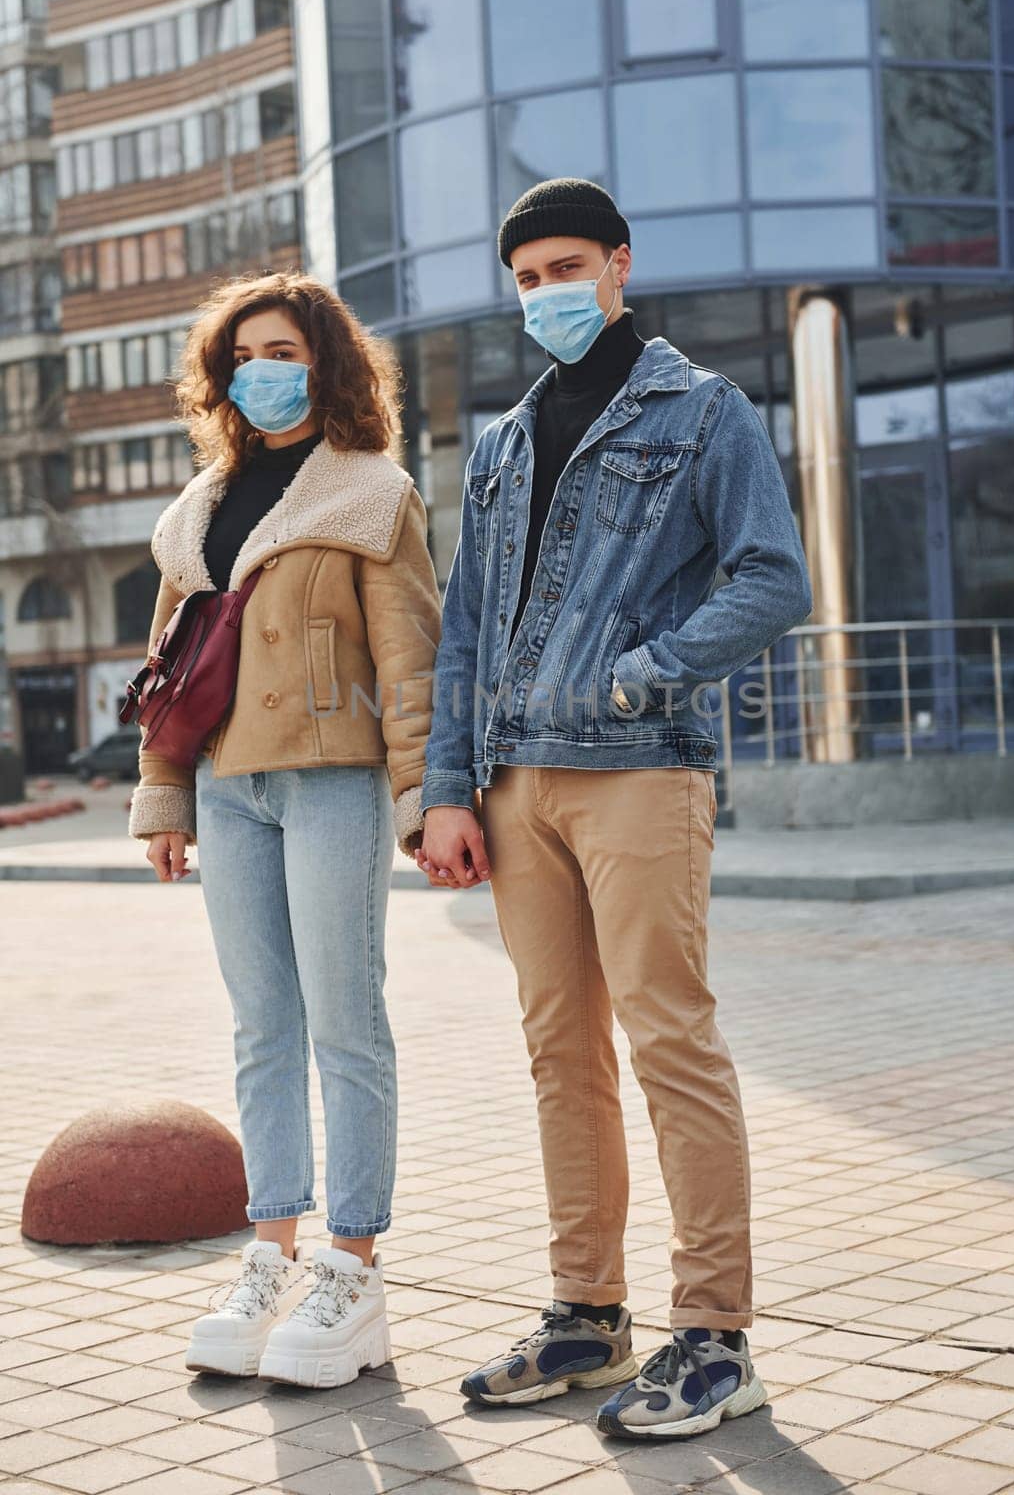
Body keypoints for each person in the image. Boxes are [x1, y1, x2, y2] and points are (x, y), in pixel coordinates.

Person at [416, 179, 813, 1441]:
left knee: (668, 1040)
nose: (548, 294)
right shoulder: (500, 443)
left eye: (568, 266)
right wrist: (444, 790)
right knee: (557, 1053)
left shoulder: (704, 412)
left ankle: (715, 1337)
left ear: (622, 265)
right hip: (513, 779)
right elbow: (467, 628)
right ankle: (588, 1315)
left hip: (642, 769)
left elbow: (771, 578)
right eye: (527, 276)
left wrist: (645, 668)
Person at [128, 271, 441, 1389]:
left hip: (330, 781)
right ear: (225, 376)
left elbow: (410, 655)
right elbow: (170, 671)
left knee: (345, 1025)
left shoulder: (370, 492)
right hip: (226, 788)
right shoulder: (199, 508)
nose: (264, 371)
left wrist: (422, 794)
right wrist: (163, 795)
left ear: (326, 364)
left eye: (284, 351)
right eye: (245, 354)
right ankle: (271, 1253)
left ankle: (352, 1273)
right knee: (262, 1027)